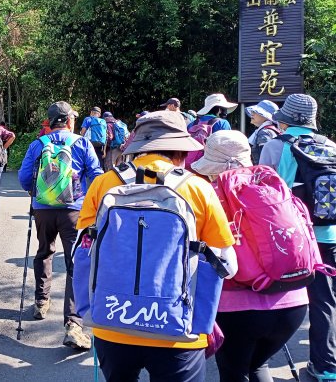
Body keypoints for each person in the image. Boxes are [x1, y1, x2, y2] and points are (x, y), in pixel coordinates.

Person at [76, 110, 236, 382]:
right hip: (179, 331)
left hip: (111, 322)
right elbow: (228, 265)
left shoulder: (104, 183)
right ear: (180, 152)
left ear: (137, 149)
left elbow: (83, 246)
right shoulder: (199, 188)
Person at [192, 130, 308, 382]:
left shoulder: (210, 194)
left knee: (235, 372)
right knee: (256, 365)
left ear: (215, 165)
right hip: (294, 301)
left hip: (238, 308)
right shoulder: (273, 185)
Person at [260, 94, 336, 381]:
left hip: (289, 236)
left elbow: (264, 192)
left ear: (284, 120)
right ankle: (326, 367)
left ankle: (258, 361)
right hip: (328, 233)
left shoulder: (276, 145)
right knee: (324, 301)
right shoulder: (330, 145)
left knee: (271, 294)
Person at [18, 101, 103, 350]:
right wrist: (86, 198)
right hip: (73, 212)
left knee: (44, 251)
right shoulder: (81, 143)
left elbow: (24, 178)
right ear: (69, 120)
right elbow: (96, 175)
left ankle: (41, 303)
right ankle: (73, 324)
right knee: (74, 262)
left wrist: (40, 194)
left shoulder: (37, 144)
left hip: (43, 211)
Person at [245, 100, 280, 165]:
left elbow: (265, 159)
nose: (252, 114)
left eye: (255, 112)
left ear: (266, 116)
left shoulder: (264, 132)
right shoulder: (270, 130)